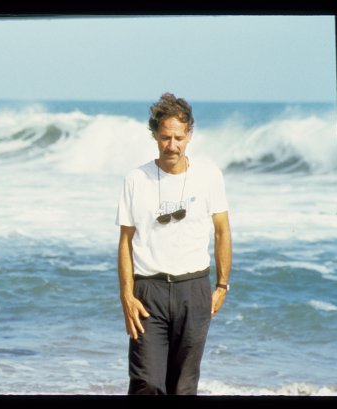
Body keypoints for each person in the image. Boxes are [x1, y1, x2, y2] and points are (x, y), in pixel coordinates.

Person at [116, 92, 232, 395]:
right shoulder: (135, 180)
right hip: (148, 292)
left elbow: (222, 230)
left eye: (179, 138)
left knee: (183, 387)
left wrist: (221, 286)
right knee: (147, 384)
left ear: (189, 135)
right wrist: (126, 296)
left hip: (193, 290)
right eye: (166, 137)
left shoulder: (208, 175)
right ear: (155, 134)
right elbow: (125, 241)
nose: (172, 145)